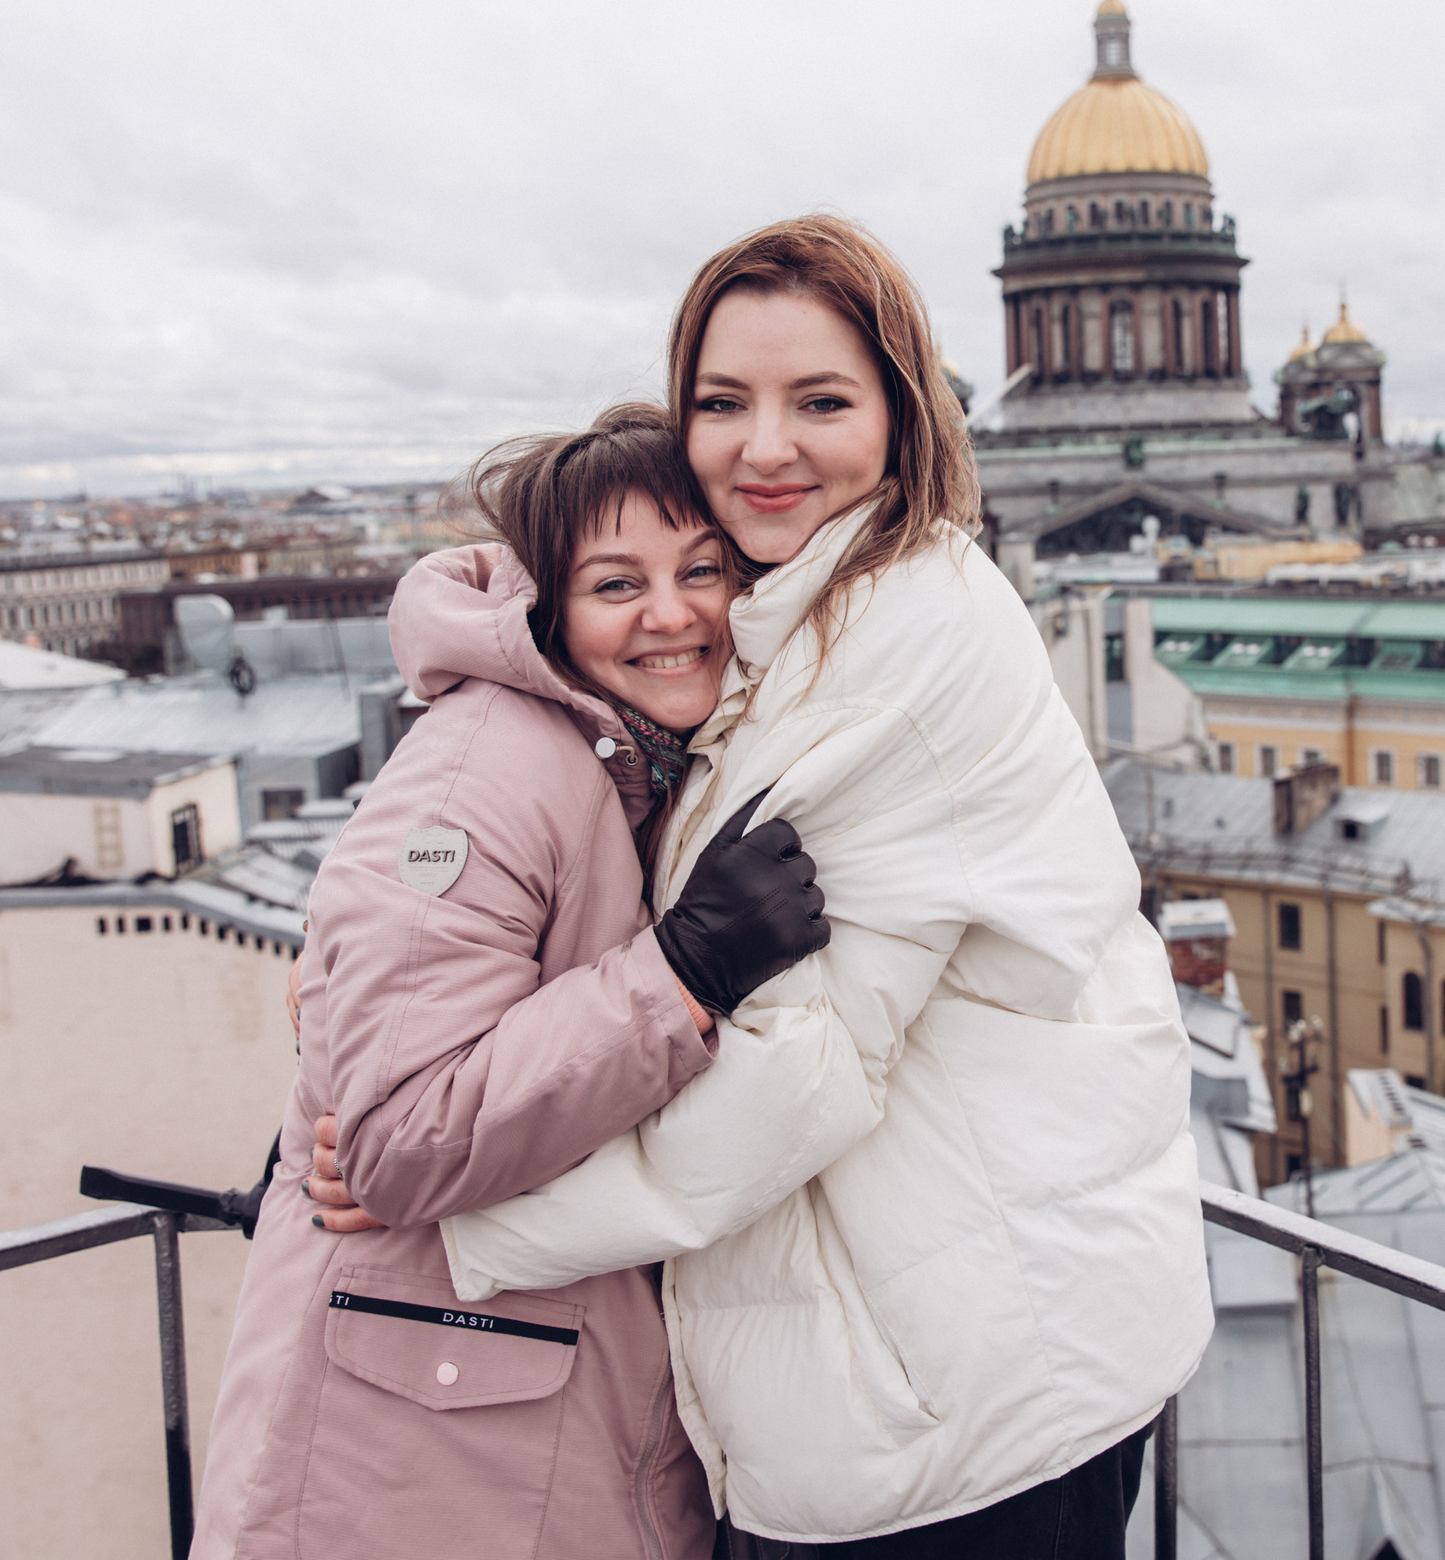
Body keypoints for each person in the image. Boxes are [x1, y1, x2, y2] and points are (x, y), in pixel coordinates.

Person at [429, 216, 1213, 1555]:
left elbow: (793, 1071)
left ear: (906, 417)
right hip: (942, 1356)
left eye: (821, 400)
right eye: (721, 402)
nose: (765, 446)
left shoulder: (892, 653)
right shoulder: (811, 608)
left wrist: (458, 1215)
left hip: (954, 1410)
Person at [189, 406, 830, 1560]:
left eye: (702, 570)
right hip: (415, 1437)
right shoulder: (484, 772)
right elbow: (399, 1135)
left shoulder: (616, 756)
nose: (673, 613)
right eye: (616, 583)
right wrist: (681, 973)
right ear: (550, 611)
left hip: (492, 1399)